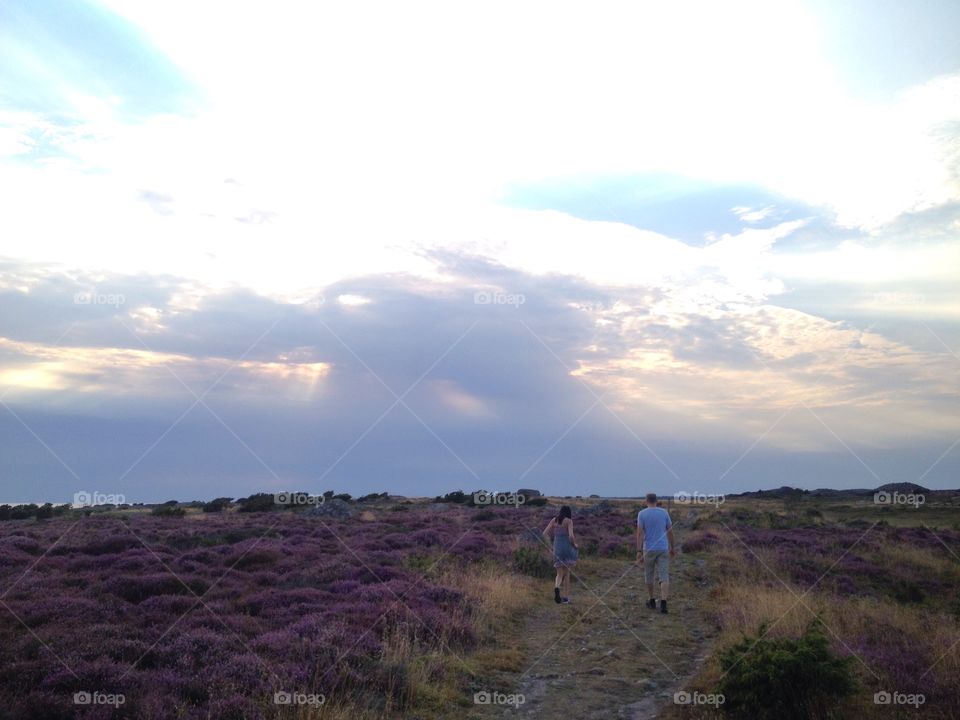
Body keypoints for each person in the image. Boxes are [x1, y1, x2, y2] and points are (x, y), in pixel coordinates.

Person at [636, 492, 675, 613]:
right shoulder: (664, 512)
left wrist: (638, 550)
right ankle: (663, 603)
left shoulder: (642, 514)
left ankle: (652, 600)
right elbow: (670, 531)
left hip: (649, 549)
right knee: (664, 576)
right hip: (663, 548)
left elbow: (640, 534)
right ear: (656, 501)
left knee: (649, 575)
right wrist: (672, 547)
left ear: (646, 501)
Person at [543, 505, 579, 604]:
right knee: (567, 573)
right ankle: (566, 598)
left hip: (557, 549)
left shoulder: (554, 520)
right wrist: (574, 545)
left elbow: (544, 533)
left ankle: (557, 588)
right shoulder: (569, 521)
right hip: (566, 548)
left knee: (559, 573)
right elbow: (571, 536)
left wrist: (550, 546)